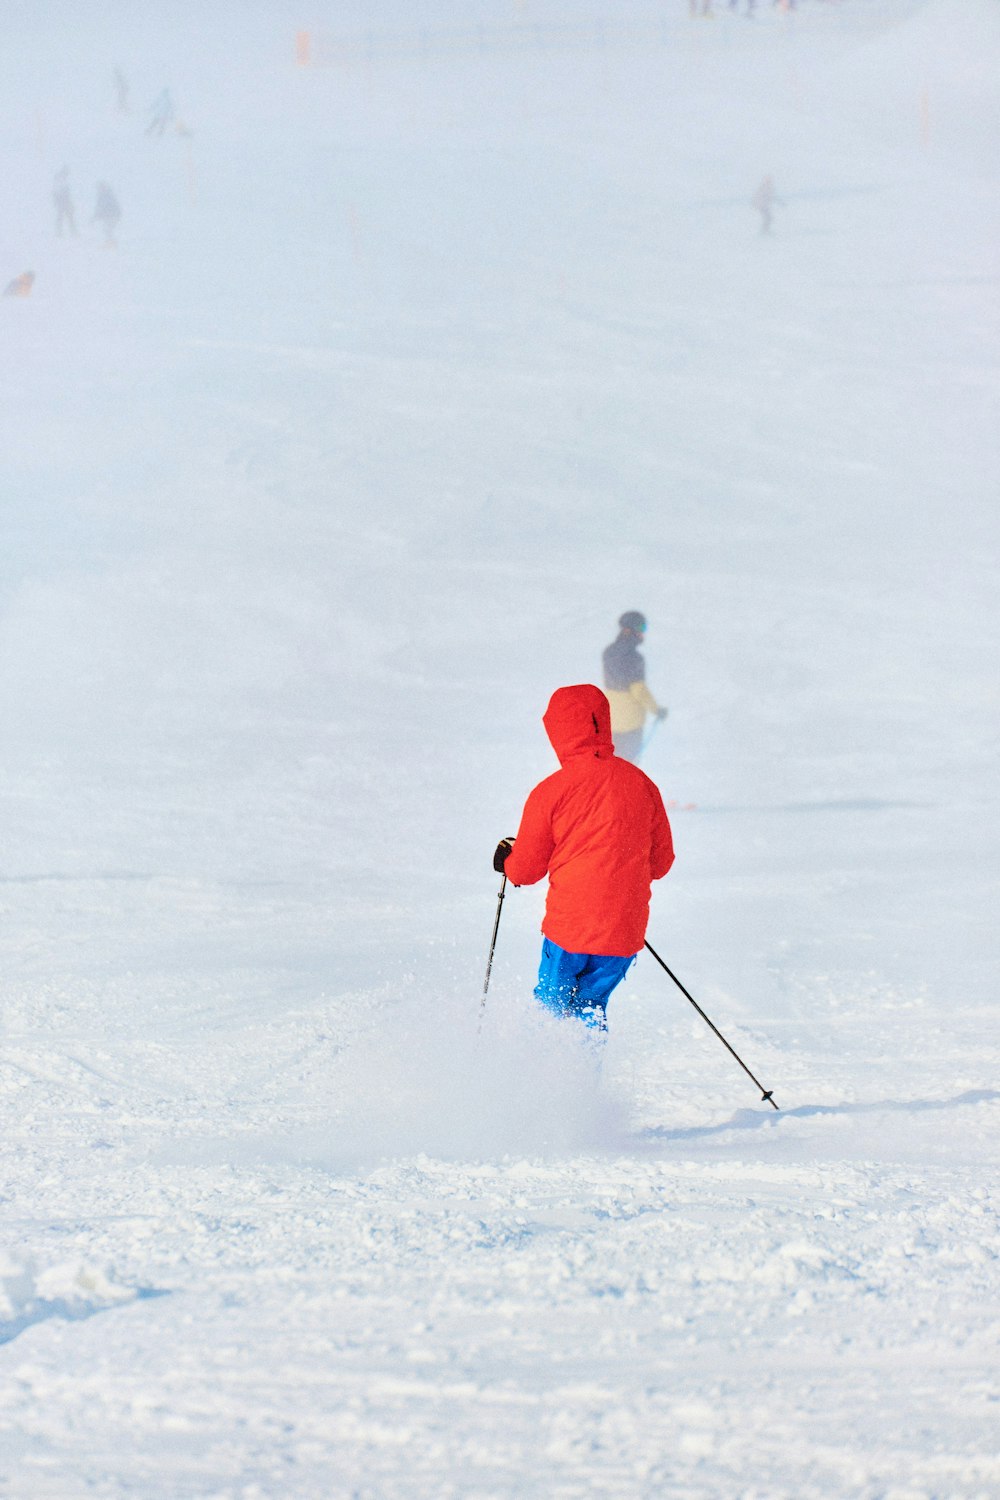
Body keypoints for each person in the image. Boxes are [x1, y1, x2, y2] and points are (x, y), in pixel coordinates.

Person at [494, 684, 674, 1033]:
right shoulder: (641, 783)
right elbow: (661, 863)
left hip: (570, 928)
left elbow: (527, 870)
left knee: (551, 1008)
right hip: (623, 931)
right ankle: (583, 1083)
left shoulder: (552, 791)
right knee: (590, 1010)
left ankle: (543, 1081)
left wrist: (507, 861)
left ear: (557, 730)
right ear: (603, 723)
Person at [601, 611, 667, 763]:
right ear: (628, 630)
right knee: (629, 766)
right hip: (630, 724)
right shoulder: (634, 658)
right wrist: (656, 710)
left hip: (611, 720)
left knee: (612, 764)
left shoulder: (608, 652)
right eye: (641, 628)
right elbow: (639, 691)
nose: (643, 633)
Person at [93, 182, 121, 247]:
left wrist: (96, 216)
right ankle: (110, 243)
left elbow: (102, 207)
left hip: (112, 215)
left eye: (100, 188)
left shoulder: (106, 195)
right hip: (110, 215)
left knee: (107, 229)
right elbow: (100, 207)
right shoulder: (105, 195)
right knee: (107, 229)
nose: (99, 190)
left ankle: (111, 244)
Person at [53, 167, 77, 236]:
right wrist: (62, 201)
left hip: (63, 201)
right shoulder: (60, 180)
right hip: (63, 201)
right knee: (66, 217)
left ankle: (62, 232)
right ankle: (61, 232)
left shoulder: (61, 179)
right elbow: (58, 192)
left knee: (66, 216)